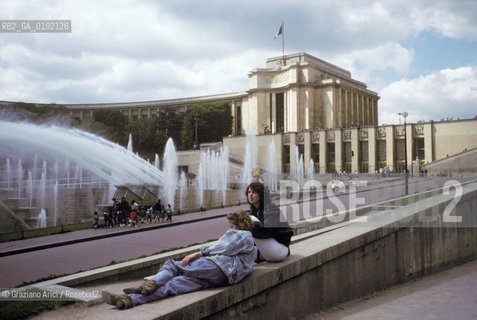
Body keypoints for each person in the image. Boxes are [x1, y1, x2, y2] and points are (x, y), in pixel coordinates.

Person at [102, 210, 256, 310]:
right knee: (173, 285)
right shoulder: (250, 249)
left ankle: (151, 283)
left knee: (172, 265)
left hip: (217, 266)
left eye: (231, 226)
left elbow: (226, 246)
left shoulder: (243, 234)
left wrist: (199, 253)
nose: (229, 230)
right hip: (221, 278)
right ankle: (129, 300)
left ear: (240, 224)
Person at [246, 182, 293, 262]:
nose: (250, 194)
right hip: (269, 250)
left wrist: (245, 227)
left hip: (279, 249)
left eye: (254, 192)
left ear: (261, 194)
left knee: (249, 219)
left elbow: (267, 231)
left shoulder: (271, 209)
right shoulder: (255, 211)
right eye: (249, 192)